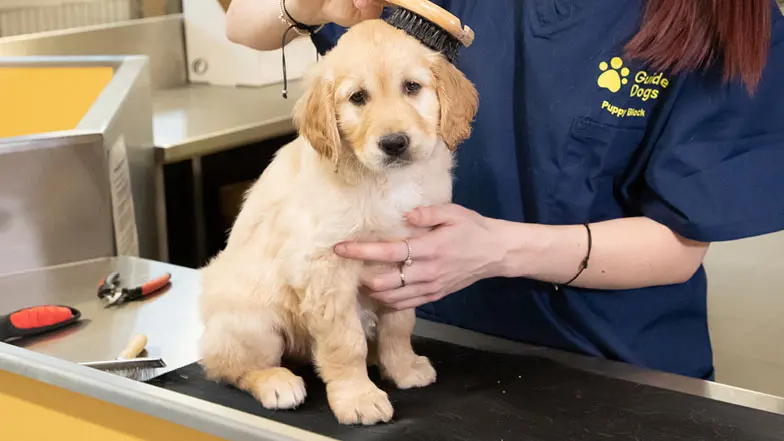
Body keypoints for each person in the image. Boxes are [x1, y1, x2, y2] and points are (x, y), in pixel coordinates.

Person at [225, 0, 784, 380]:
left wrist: (496, 250)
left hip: (614, 366)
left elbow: (679, 244)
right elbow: (245, 23)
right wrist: (307, 5)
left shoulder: (717, 13)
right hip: (436, 351)